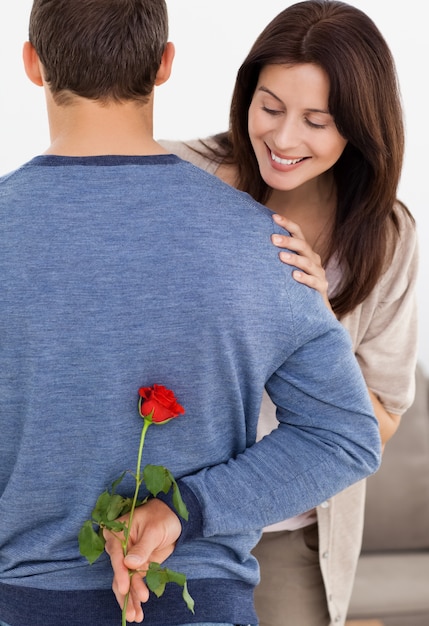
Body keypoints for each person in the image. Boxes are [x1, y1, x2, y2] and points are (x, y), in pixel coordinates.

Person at [0, 1, 382, 625]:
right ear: (164, 64)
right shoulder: (268, 246)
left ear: (32, 63)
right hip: (202, 603)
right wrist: (185, 509)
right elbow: (343, 437)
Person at [160, 1, 419, 625]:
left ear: (358, 125)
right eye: (270, 107)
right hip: (162, 515)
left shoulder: (385, 235)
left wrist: (312, 316)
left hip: (289, 533)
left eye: (317, 121)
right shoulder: (178, 175)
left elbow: (378, 423)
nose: (282, 138)